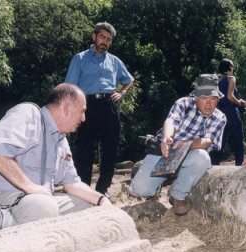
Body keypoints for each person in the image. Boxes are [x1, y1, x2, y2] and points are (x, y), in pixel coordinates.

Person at [0, 83, 111, 228]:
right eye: (82, 111)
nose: (84, 118)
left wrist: (100, 199)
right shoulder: (27, 114)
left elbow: (72, 183)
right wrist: (30, 187)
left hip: (32, 203)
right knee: (45, 207)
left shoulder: (61, 141)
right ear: (67, 106)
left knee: (83, 205)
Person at [131, 74, 227, 217]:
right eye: (204, 98)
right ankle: (155, 187)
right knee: (139, 189)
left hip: (191, 155)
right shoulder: (183, 103)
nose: (209, 103)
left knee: (203, 157)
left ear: (218, 99)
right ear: (196, 97)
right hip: (166, 152)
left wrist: (188, 144)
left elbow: (208, 141)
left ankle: (177, 195)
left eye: (213, 99)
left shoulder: (220, 117)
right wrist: (167, 138)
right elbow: (171, 122)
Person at [65, 22, 134, 195]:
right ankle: (84, 188)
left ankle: (103, 189)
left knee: (110, 148)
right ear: (94, 36)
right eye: (102, 37)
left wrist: (122, 92)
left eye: (109, 40)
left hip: (109, 105)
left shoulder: (114, 61)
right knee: (84, 149)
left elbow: (129, 80)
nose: (105, 42)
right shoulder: (80, 59)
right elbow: (70, 86)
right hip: (86, 106)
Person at [210, 59, 246, 166]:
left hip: (220, 114)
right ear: (229, 67)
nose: (233, 68)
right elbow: (230, 97)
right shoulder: (231, 78)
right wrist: (240, 103)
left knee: (220, 142)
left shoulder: (217, 80)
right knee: (238, 141)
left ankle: (213, 166)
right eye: (232, 66)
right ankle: (239, 168)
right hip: (231, 112)